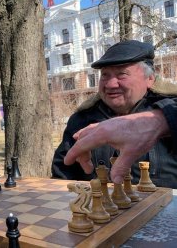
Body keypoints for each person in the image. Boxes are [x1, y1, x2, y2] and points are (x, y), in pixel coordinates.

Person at [52, 40, 177, 188]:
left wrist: (162, 121)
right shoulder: (82, 119)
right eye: (105, 75)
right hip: (99, 209)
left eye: (122, 74)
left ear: (150, 78)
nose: (110, 84)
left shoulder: (170, 108)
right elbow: (62, 175)